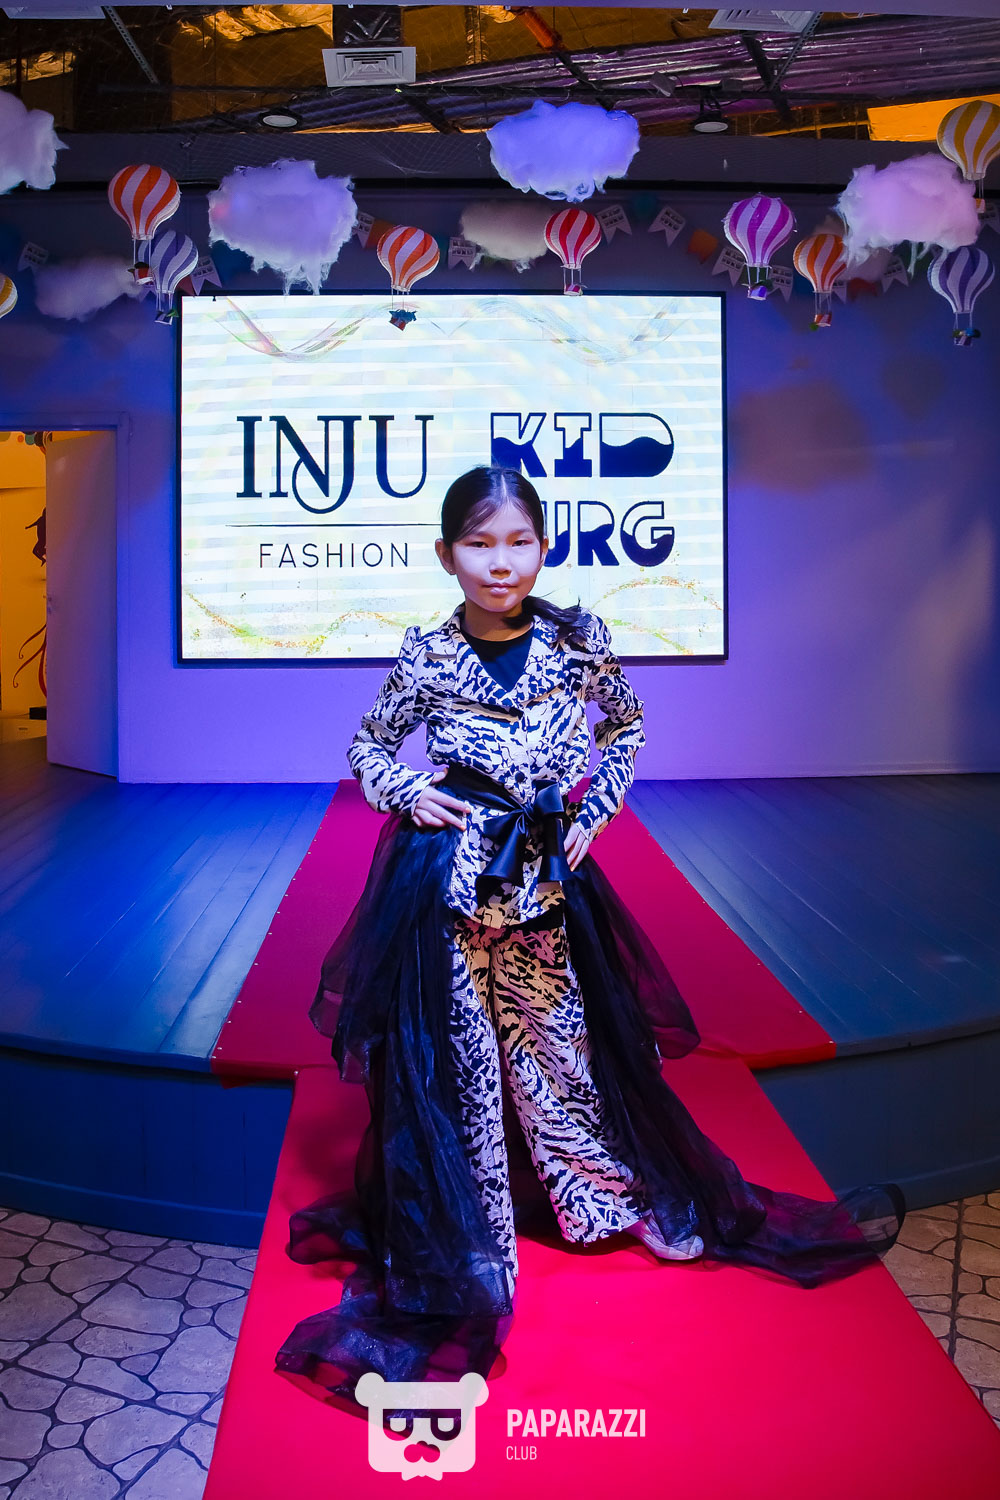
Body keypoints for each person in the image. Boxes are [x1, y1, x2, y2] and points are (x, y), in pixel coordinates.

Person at [274, 464, 905, 1411]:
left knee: (562, 1051)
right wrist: (406, 790)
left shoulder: (578, 642)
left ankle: (601, 1200)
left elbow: (629, 725)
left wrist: (594, 810)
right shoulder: (427, 655)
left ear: (544, 546)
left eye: (518, 542)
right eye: (479, 544)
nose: (500, 563)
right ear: (446, 555)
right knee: (460, 1066)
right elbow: (368, 745)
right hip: (447, 886)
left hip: (545, 882)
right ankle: (472, 1244)